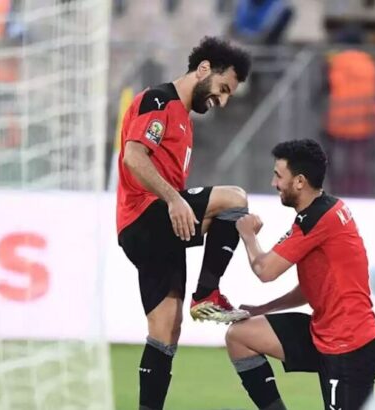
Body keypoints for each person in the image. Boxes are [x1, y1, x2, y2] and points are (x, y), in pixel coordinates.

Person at [116, 37, 252, 410]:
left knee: (166, 331)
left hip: (161, 230)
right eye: (223, 89)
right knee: (235, 199)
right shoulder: (158, 100)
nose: (222, 101)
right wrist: (175, 198)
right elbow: (132, 156)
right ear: (204, 69)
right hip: (144, 215)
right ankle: (207, 293)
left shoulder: (185, 122)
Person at [227, 139, 375, 410]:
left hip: (349, 345)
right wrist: (264, 308)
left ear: (299, 181)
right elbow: (313, 286)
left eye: (278, 175)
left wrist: (248, 236)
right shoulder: (324, 211)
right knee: (240, 336)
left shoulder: (315, 220)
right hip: (323, 332)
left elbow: (265, 270)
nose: (273, 183)